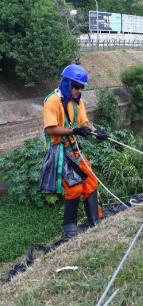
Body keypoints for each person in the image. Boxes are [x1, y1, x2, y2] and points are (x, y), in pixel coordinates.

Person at [42, 64, 108, 239]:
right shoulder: (53, 101)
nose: (79, 90)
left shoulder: (77, 103)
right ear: (67, 83)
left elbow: (84, 123)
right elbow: (50, 129)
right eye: (76, 86)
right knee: (75, 187)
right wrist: (74, 131)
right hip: (59, 152)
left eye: (82, 87)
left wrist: (96, 132)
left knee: (91, 182)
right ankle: (69, 228)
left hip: (74, 150)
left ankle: (95, 220)